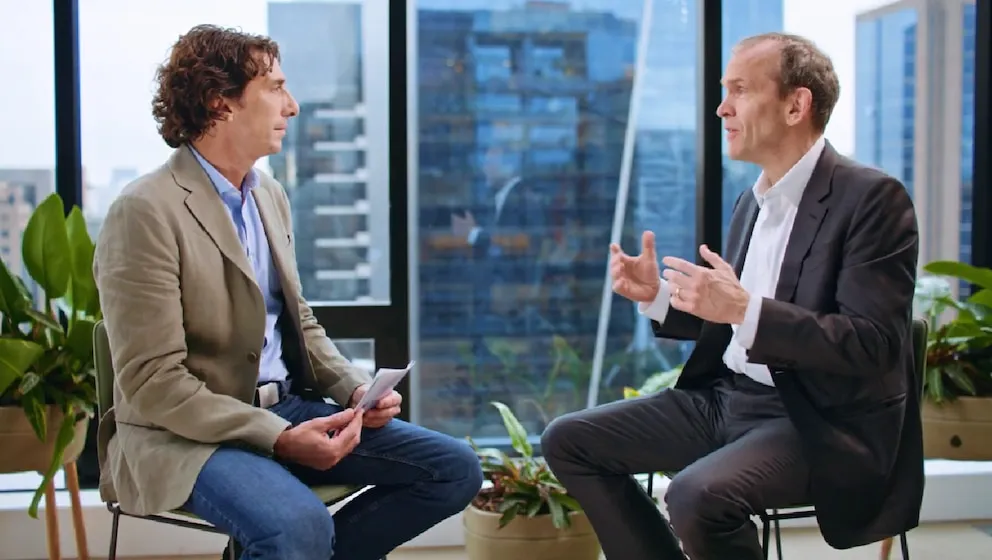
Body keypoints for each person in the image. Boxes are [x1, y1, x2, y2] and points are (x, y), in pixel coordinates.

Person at [93, 24, 483, 560]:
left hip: (288, 409)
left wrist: (354, 390)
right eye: (276, 87)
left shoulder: (268, 195)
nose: (292, 106)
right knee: (297, 526)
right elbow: (152, 382)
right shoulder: (144, 211)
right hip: (186, 434)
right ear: (220, 101)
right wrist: (275, 436)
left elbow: (298, 320)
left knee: (454, 469)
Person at [541, 32, 923, 560]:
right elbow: (735, 321)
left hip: (817, 419)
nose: (722, 108)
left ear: (796, 105)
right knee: (568, 440)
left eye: (740, 90)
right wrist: (659, 298)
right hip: (727, 399)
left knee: (696, 496)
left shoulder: (873, 199)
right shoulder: (752, 200)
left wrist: (745, 308)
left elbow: (871, 344)